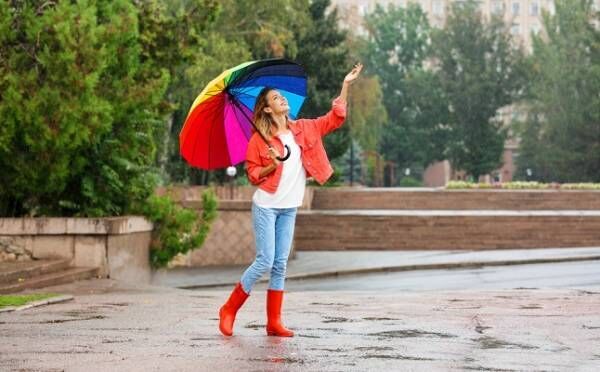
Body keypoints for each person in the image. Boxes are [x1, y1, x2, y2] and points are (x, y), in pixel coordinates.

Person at [218, 63, 364, 337]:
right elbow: (252, 175)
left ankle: (274, 322)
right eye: (275, 98)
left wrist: (345, 85)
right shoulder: (259, 141)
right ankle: (229, 309)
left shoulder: (305, 129)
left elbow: (335, 118)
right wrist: (271, 166)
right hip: (266, 206)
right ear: (266, 109)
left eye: (282, 96)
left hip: (288, 207)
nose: (282, 99)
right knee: (265, 260)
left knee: (280, 263)